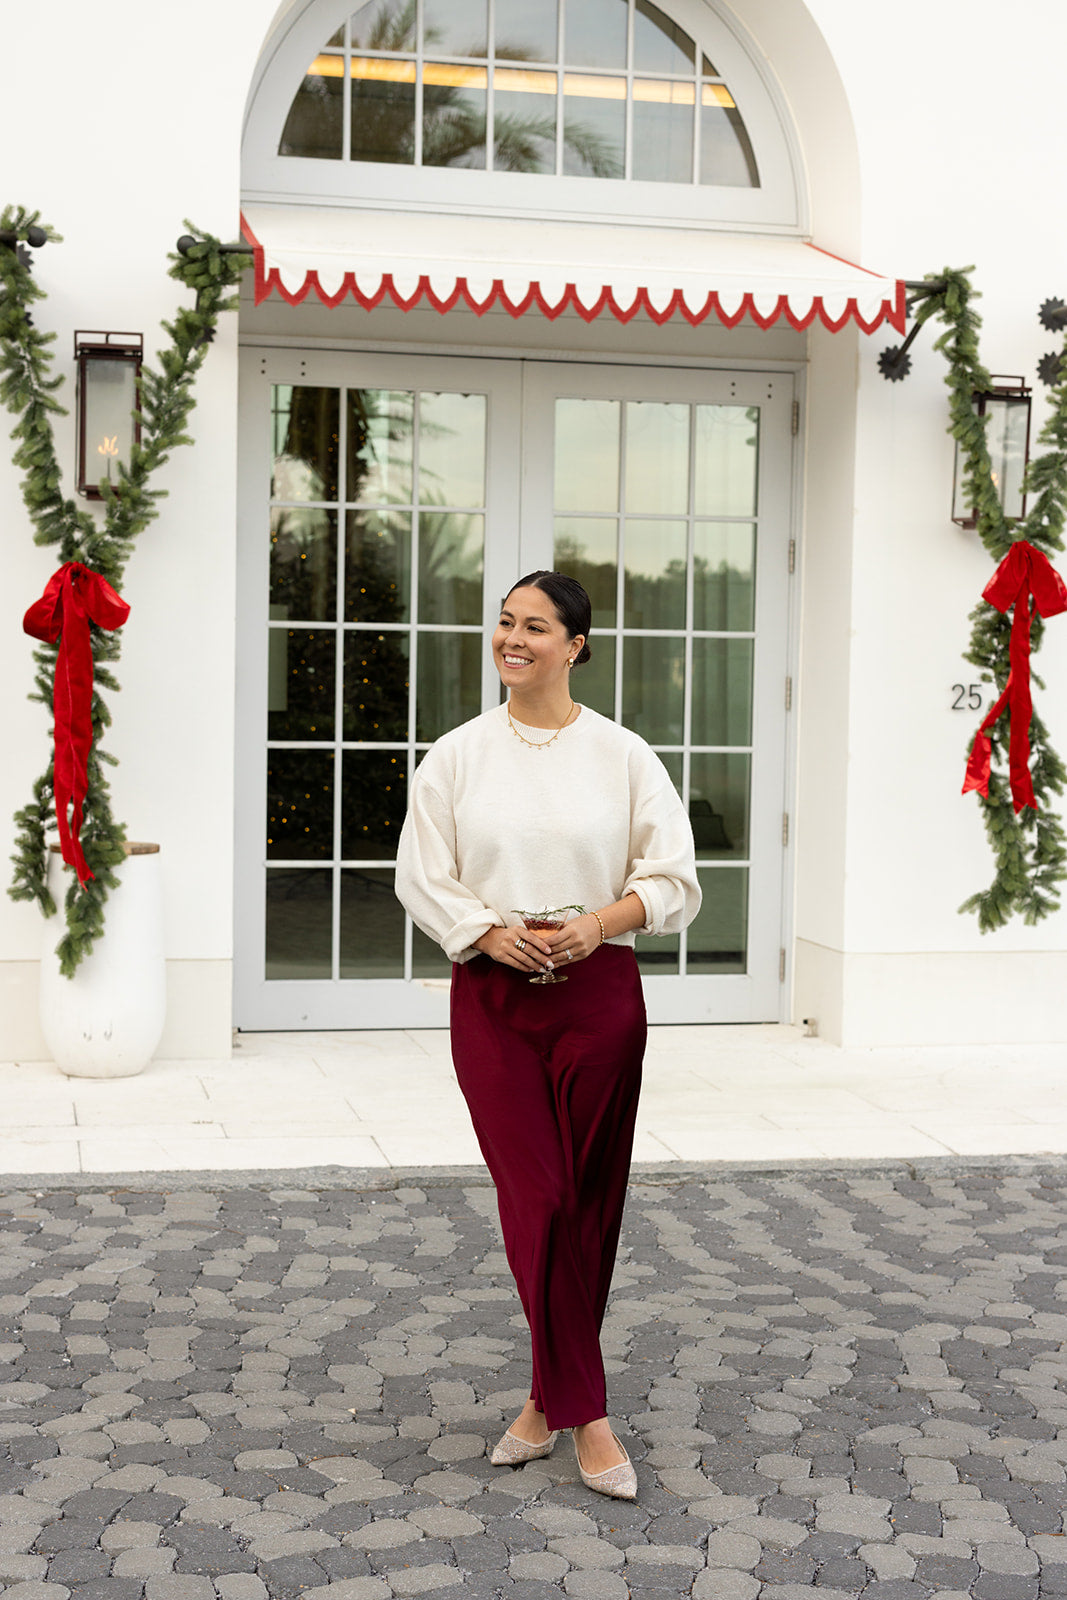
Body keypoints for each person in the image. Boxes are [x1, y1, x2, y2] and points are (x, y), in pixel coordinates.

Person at [395, 571, 700, 1500]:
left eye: (535, 627)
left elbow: (675, 878)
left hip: (598, 996)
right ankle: (590, 1415)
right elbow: (420, 874)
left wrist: (600, 922)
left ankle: (542, 1400)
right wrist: (487, 934)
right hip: (493, 1001)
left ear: (575, 646)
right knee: (540, 1194)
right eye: (503, 623)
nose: (512, 639)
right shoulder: (454, 757)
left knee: (592, 1199)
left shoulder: (623, 755)